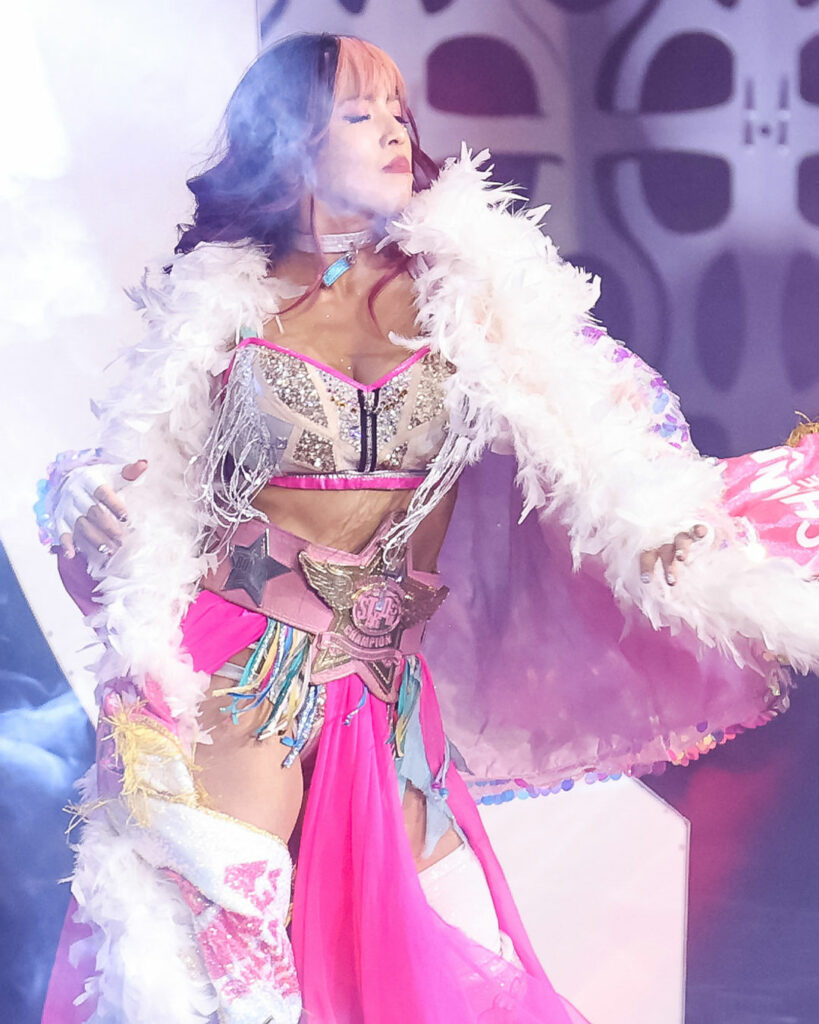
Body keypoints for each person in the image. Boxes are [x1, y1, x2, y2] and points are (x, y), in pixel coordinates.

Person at [35, 31, 819, 1024]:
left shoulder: (472, 288)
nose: (395, 131)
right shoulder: (221, 307)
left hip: (383, 684)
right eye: (359, 113)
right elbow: (140, 466)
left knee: (460, 975)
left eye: (400, 111)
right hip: (238, 668)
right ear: (288, 143)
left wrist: (662, 524)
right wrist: (76, 490)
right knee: (228, 988)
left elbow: (601, 432)